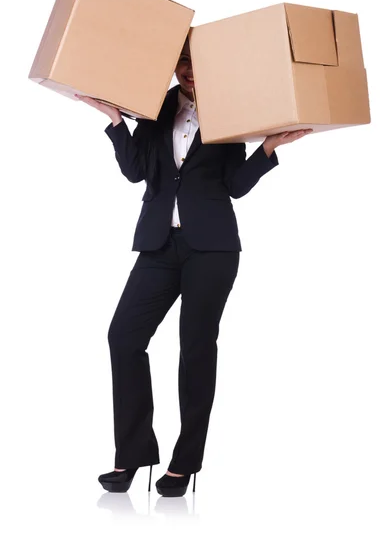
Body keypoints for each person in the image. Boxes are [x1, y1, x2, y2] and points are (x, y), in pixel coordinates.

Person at [75, 39, 313, 497]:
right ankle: (132, 456)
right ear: (173, 65)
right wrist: (115, 120)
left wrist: (267, 147)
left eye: (198, 62)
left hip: (213, 250)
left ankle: (185, 464)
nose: (189, 71)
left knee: (196, 349)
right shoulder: (153, 105)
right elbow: (135, 171)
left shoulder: (231, 110)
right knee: (123, 337)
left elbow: (235, 186)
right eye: (183, 62)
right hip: (158, 245)